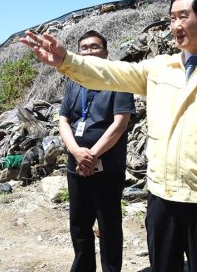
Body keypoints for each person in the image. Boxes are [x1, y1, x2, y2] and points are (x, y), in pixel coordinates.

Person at [21, 0, 197, 272]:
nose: (175, 25)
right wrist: (67, 61)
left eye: (183, 16)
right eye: (172, 17)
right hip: (162, 196)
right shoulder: (160, 69)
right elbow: (110, 73)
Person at [58, 30, 135, 272]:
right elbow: (63, 120)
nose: (89, 52)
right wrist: (76, 152)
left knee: (109, 224)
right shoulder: (74, 81)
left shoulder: (119, 79)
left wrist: (92, 155)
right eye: (84, 48)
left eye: (94, 47)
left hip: (107, 166)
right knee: (79, 224)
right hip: (76, 165)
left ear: (106, 52)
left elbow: (120, 123)